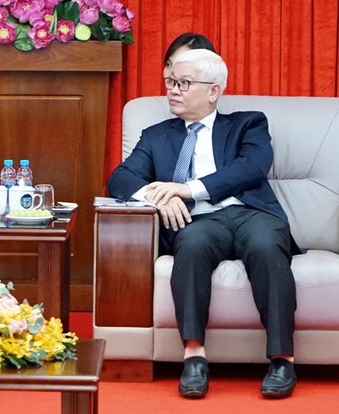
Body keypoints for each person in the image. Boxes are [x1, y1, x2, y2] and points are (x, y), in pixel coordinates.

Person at [107, 48, 298, 400]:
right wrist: (160, 198)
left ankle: (282, 359)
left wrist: (188, 189)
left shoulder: (247, 123)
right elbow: (120, 179)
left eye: (184, 83)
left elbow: (253, 166)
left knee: (266, 247)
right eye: (171, 82)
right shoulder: (156, 135)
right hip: (200, 221)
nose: (173, 91)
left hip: (251, 214)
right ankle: (194, 356)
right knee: (190, 246)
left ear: (213, 90)